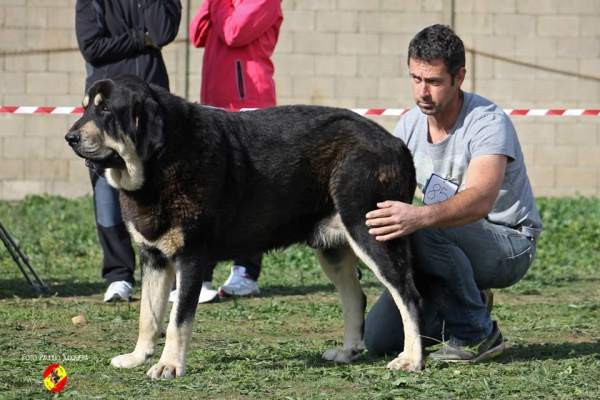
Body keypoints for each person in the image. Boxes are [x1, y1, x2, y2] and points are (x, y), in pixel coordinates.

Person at [363, 24, 542, 363]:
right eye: (416, 79)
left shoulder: (488, 122)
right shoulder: (408, 125)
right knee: (378, 339)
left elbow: (479, 199)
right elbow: (386, 193)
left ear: (459, 78)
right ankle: (468, 301)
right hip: (444, 243)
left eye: (433, 81)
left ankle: (478, 335)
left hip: (509, 245)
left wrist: (418, 216)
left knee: (427, 223)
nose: (422, 92)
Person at [176, 0, 283, 303]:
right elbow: (198, 35)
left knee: (251, 191)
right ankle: (202, 273)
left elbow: (234, 32)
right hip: (214, 104)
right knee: (211, 190)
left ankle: (246, 272)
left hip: (248, 103)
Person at [75, 0, 182, 302]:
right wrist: (139, 38)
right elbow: (92, 47)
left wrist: (143, 36)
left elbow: (161, 34)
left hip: (150, 104)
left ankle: (171, 269)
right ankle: (119, 275)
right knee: (106, 187)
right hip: (105, 108)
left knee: (164, 183)